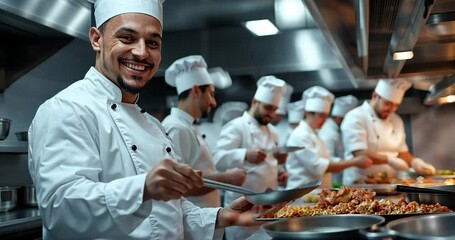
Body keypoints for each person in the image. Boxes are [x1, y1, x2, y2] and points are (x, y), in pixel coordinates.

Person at [27, 1, 269, 239]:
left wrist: (222, 217)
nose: (142, 52)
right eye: (127, 38)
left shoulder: (152, 126)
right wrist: (143, 188)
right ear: (96, 39)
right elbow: (60, 210)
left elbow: (169, 213)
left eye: (152, 42)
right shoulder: (67, 109)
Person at [212, 75, 288, 240]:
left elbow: (271, 163)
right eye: (268, 108)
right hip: (242, 211)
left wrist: (280, 171)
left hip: (268, 208)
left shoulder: (273, 132)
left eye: (274, 109)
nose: (271, 114)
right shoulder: (236, 126)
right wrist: (244, 154)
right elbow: (217, 158)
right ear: (255, 102)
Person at [341, 79, 436, 185]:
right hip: (361, 184)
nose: (391, 109)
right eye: (388, 103)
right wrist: (389, 160)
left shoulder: (397, 120)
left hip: (390, 184)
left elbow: (402, 152)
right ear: (375, 96)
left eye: (396, 105)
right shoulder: (355, 117)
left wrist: (414, 162)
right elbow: (359, 153)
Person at [285, 86, 373, 189]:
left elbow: (327, 159)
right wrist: (354, 162)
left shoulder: (314, 134)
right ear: (308, 113)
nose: (324, 120)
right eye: (321, 116)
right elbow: (317, 166)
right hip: (300, 194)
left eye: (326, 116)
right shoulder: (299, 135)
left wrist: (344, 161)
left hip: (314, 192)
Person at [318, 95, 358, 185]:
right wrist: (352, 162)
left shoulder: (337, 130)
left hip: (339, 176)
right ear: (339, 118)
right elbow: (328, 160)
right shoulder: (328, 133)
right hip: (333, 178)